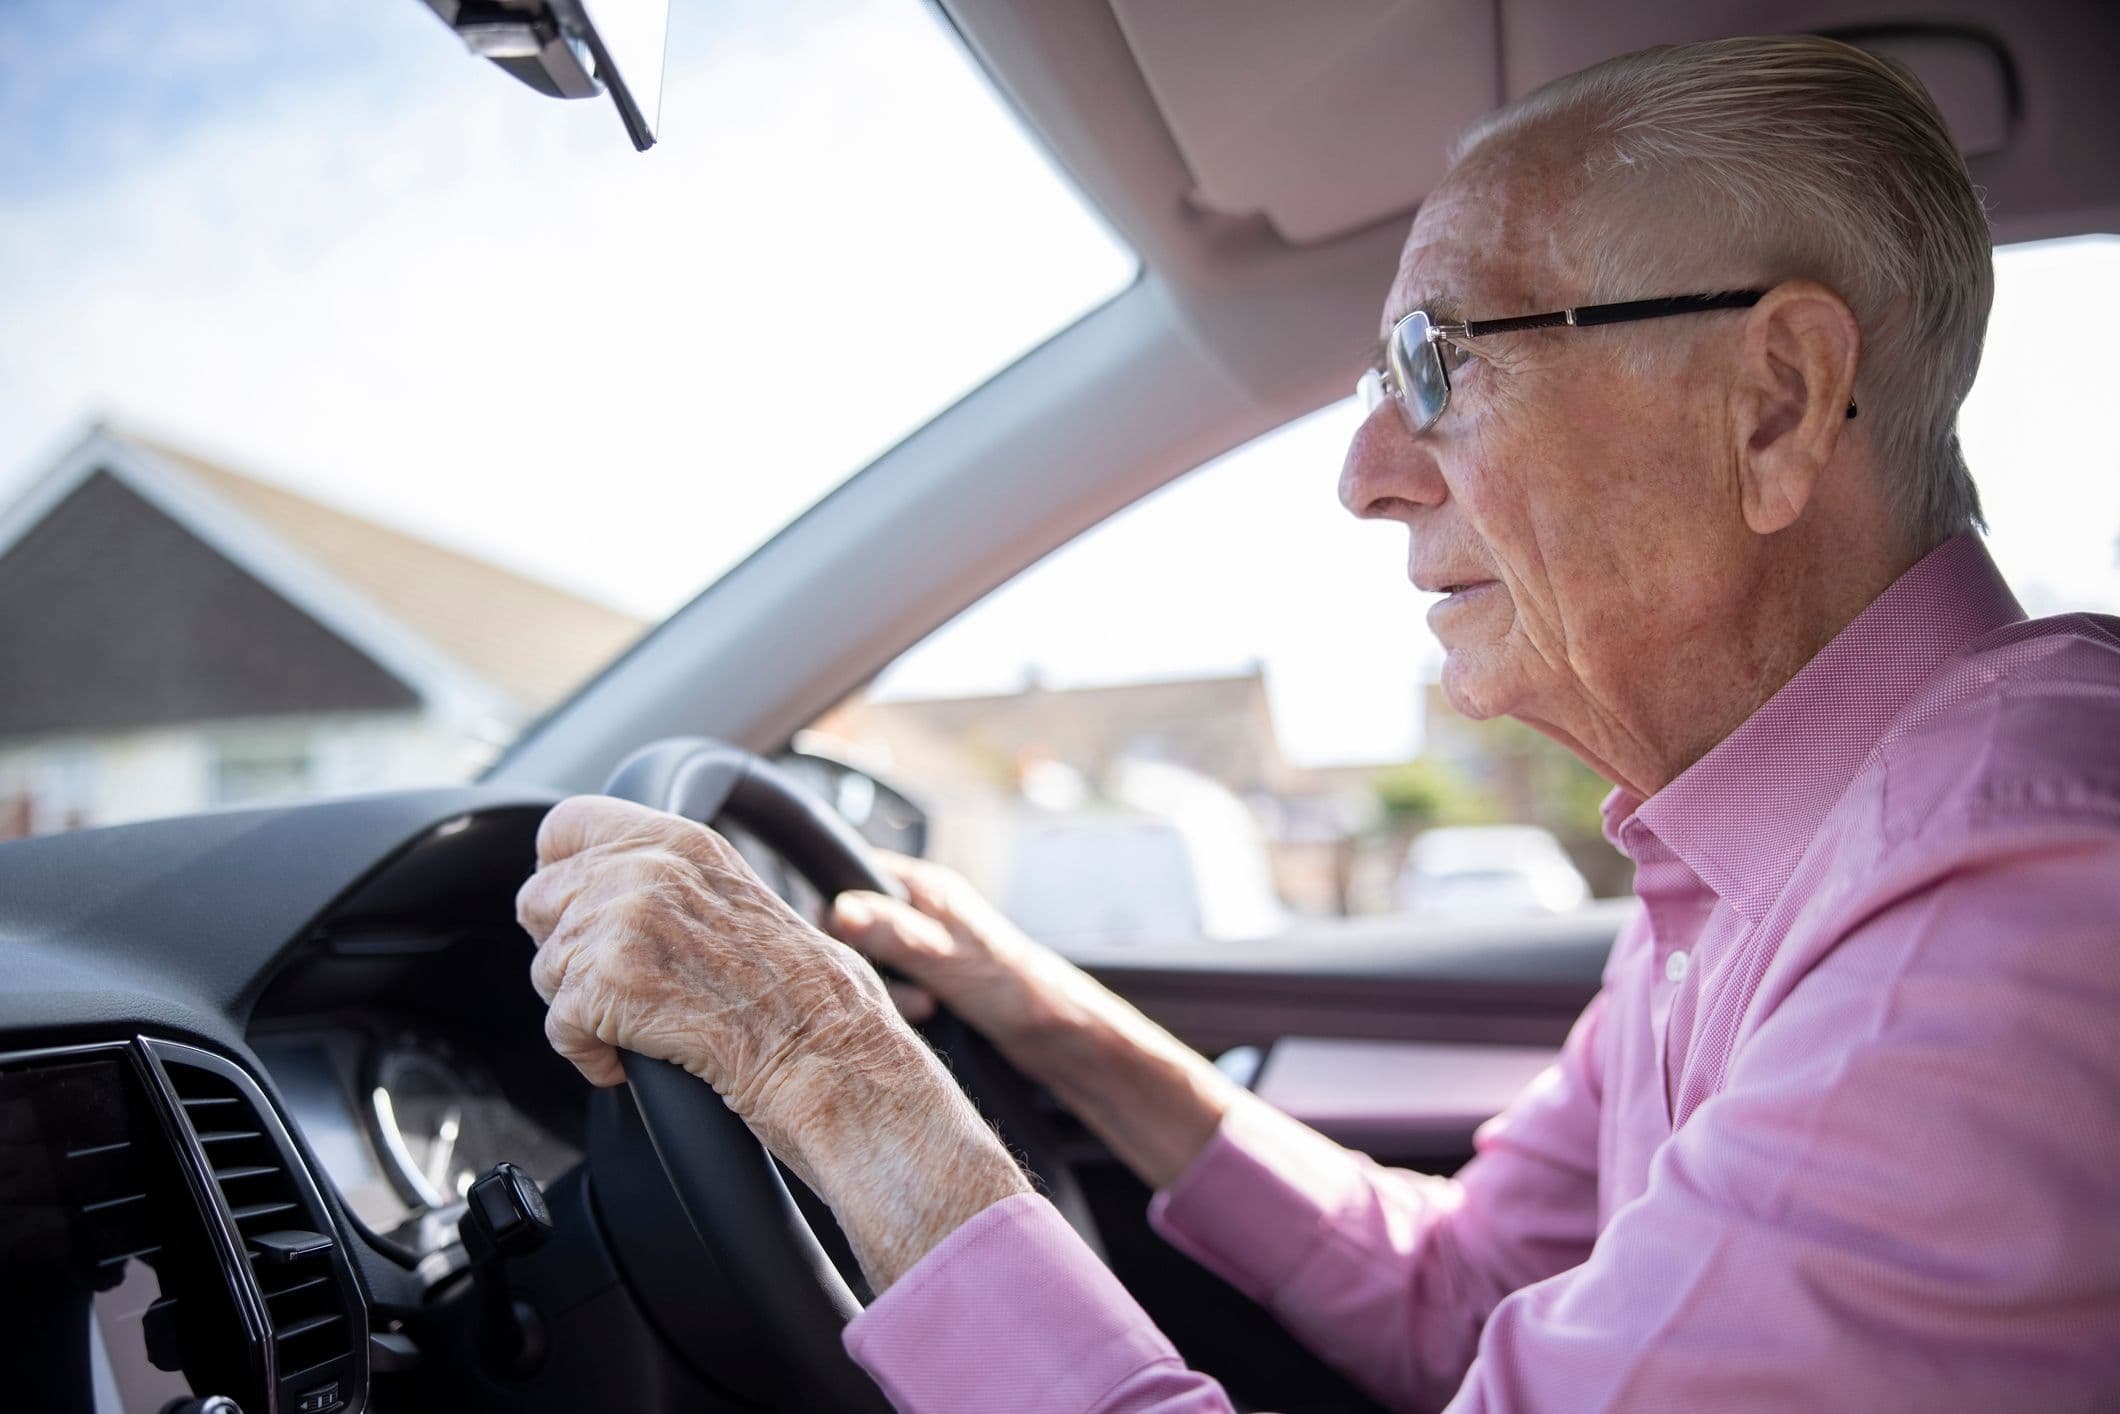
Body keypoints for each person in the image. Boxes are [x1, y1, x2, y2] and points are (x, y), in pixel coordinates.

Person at [512, 33, 2120, 1412]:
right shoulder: (1775, 843)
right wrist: (1048, 1012)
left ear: (1772, 401)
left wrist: (829, 1066)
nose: (1364, 471)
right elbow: (1463, 1281)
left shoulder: (1994, 919)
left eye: (1436, 361)